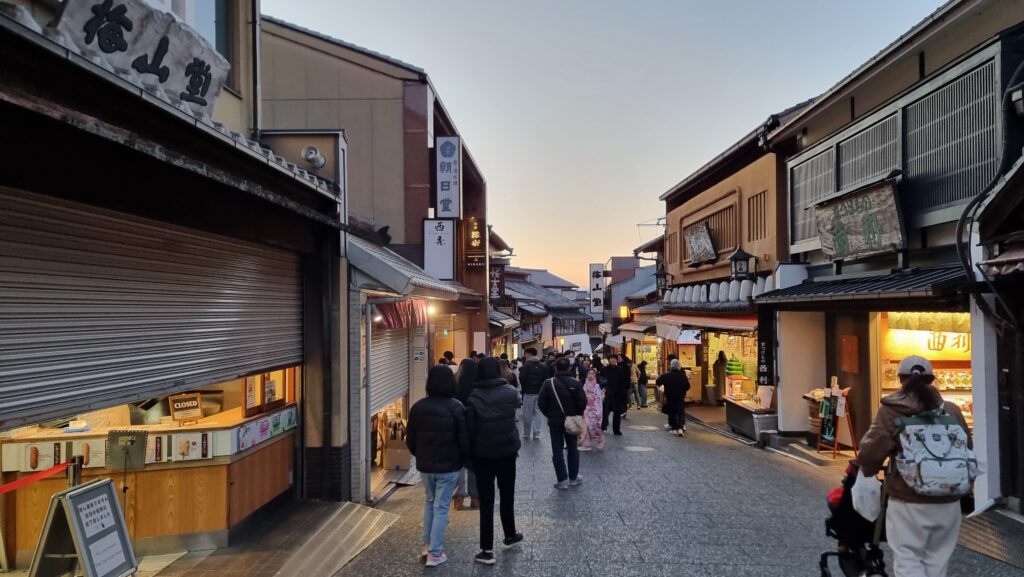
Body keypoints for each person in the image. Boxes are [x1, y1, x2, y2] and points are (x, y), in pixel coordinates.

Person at [858, 356, 972, 577]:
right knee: (937, 562)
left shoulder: (892, 410)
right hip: (949, 500)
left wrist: (868, 471)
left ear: (901, 379)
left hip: (907, 499)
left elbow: (870, 452)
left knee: (908, 558)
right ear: (931, 379)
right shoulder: (952, 410)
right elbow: (967, 447)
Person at [406, 366, 469, 567]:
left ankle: (427, 545)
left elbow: (410, 439)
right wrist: (464, 459)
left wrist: (419, 455)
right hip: (449, 466)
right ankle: (435, 553)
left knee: (429, 502)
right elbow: (463, 439)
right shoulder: (456, 407)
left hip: (425, 466)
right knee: (441, 507)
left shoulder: (418, 407)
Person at [466, 357, 524, 565]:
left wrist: (469, 455)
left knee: (486, 501)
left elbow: (470, 428)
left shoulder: (474, 396)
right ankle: (510, 534)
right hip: (507, 452)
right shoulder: (510, 392)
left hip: (483, 455)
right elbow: (517, 405)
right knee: (507, 495)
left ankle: (486, 550)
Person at [538, 358, 587, 489]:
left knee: (557, 451)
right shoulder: (576, 383)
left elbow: (541, 402)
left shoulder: (548, 383)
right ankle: (573, 477)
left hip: (555, 422)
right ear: (569, 368)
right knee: (572, 448)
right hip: (571, 421)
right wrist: (576, 414)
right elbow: (583, 401)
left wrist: (549, 414)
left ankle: (562, 480)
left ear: (556, 368)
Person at [453, 358, 479, 509]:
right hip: (475, 431)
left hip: (457, 430)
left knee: (459, 464)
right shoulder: (478, 388)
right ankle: (475, 498)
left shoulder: (453, 386)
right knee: (474, 464)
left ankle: (459, 497)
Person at [517, 347, 548, 440]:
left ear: (529, 354)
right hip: (539, 392)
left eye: (525, 353)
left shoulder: (526, 365)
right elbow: (545, 379)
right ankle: (536, 432)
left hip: (528, 392)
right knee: (538, 412)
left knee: (527, 413)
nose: (524, 355)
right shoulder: (542, 366)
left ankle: (527, 433)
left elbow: (522, 378)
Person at [656, 359, 690, 436]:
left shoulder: (666, 375)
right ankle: (680, 428)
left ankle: (674, 429)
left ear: (671, 366)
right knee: (680, 412)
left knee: (672, 412)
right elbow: (688, 386)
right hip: (680, 397)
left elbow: (658, 382)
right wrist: (682, 390)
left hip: (670, 396)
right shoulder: (683, 376)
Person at [578, 368, 605, 451]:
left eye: (593, 374)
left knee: (594, 426)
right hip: (586, 408)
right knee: (585, 426)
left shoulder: (597, 386)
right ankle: (586, 444)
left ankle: (600, 439)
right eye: (589, 374)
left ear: (595, 376)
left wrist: (592, 401)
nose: (590, 375)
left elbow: (599, 398)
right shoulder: (585, 384)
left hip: (594, 409)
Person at [599, 355, 626, 435]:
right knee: (605, 411)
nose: (613, 360)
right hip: (607, 393)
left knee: (617, 413)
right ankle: (603, 427)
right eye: (611, 359)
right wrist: (603, 389)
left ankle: (616, 430)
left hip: (617, 394)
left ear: (617, 360)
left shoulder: (620, 369)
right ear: (608, 360)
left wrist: (623, 393)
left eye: (615, 359)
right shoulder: (604, 369)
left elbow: (623, 382)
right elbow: (601, 380)